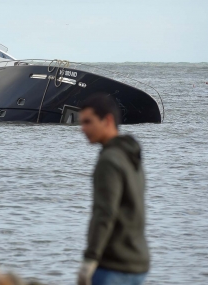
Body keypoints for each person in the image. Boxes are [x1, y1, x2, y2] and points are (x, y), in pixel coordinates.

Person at [77, 94, 150, 285]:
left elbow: (105, 214)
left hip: (113, 265)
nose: (82, 129)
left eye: (87, 122)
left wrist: (90, 260)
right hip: (138, 262)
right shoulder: (131, 154)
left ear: (107, 120)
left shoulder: (109, 161)